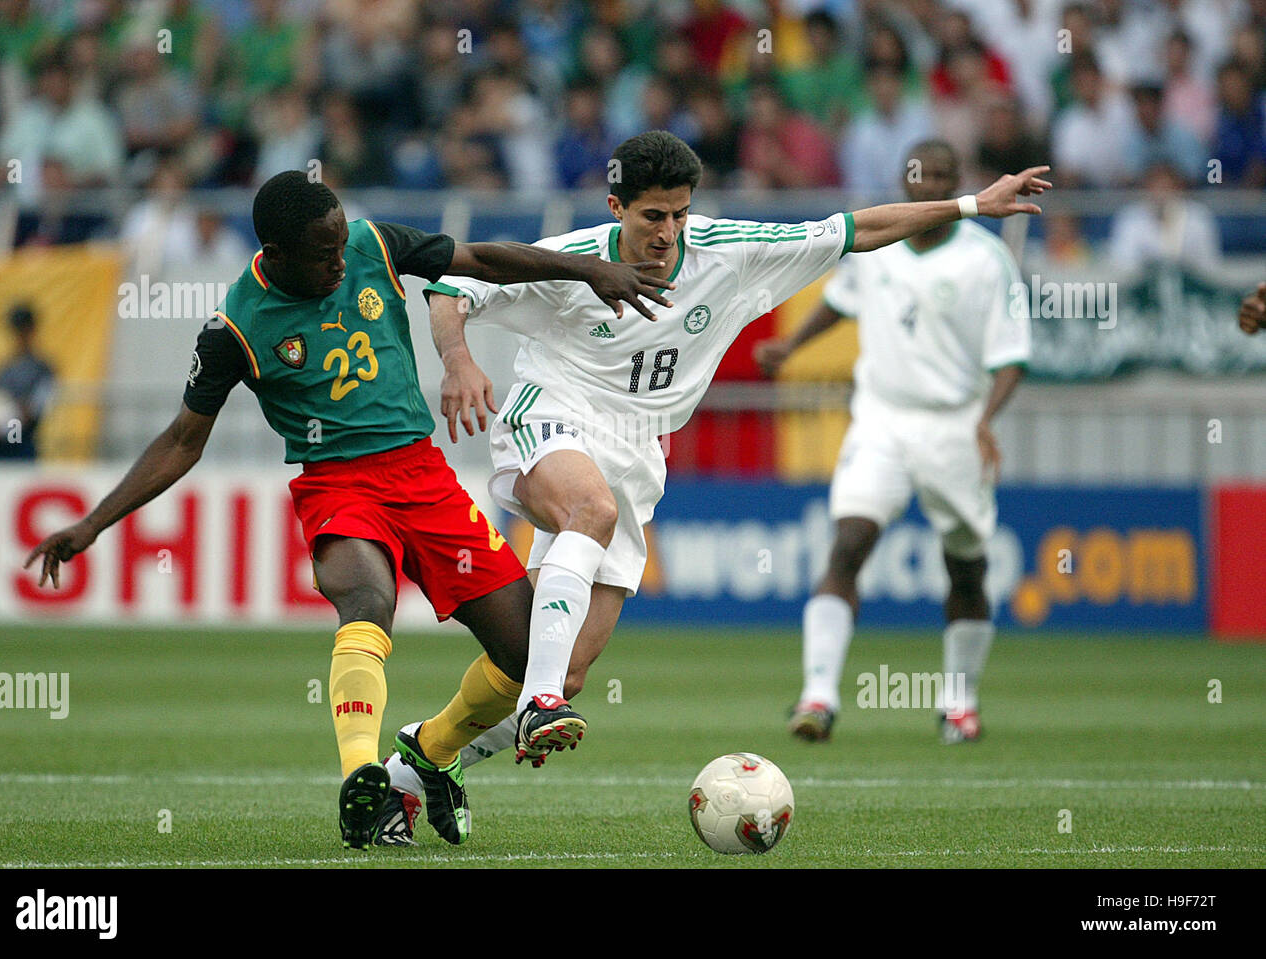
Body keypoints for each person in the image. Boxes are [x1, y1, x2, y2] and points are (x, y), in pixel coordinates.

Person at [23, 170, 673, 850]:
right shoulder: (235, 327)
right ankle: (362, 771)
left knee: (529, 655)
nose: (340, 262)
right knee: (366, 600)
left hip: (425, 480)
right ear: (274, 253)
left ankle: (426, 752)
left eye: (340, 247)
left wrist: (588, 271)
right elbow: (182, 440)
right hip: (338, 485)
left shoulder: (373, 245)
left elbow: (480, 260)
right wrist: (92, 523)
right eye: (322, 254)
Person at [402, 130, 1049, 807]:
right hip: (553, 413)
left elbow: (858, 229)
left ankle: (423, 758)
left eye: (680, 213)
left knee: (565, 667)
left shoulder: (728, 252)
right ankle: (538, 701)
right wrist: (458, 362)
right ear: (617, 205)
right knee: (589, 516)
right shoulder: (572, 259)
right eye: (654, 215)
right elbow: (450, 287)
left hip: (638, 451)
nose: (669, 231)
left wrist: (973, 205)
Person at [753, 140, 1031, 745]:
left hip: (954, 423)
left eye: (940, 175)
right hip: (879, 416)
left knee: (966, 567)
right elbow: (840, 301)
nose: (927, 184)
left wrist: (985, 420)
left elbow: (1011, 357)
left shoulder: (987, 261)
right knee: (848, 542)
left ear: (960, 182)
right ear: (903, 182)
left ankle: (959, 704)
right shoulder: (877, 250)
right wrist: (792, 346)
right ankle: (818, 698)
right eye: (918, 175)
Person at [0, 304, 55, 460]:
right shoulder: (4, 368)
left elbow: (35, 408)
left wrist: (4, 428)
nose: (19, 335)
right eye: (16, 330)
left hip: (22, 446)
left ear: (31, 330)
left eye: (23, 329)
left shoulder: (43, 369)